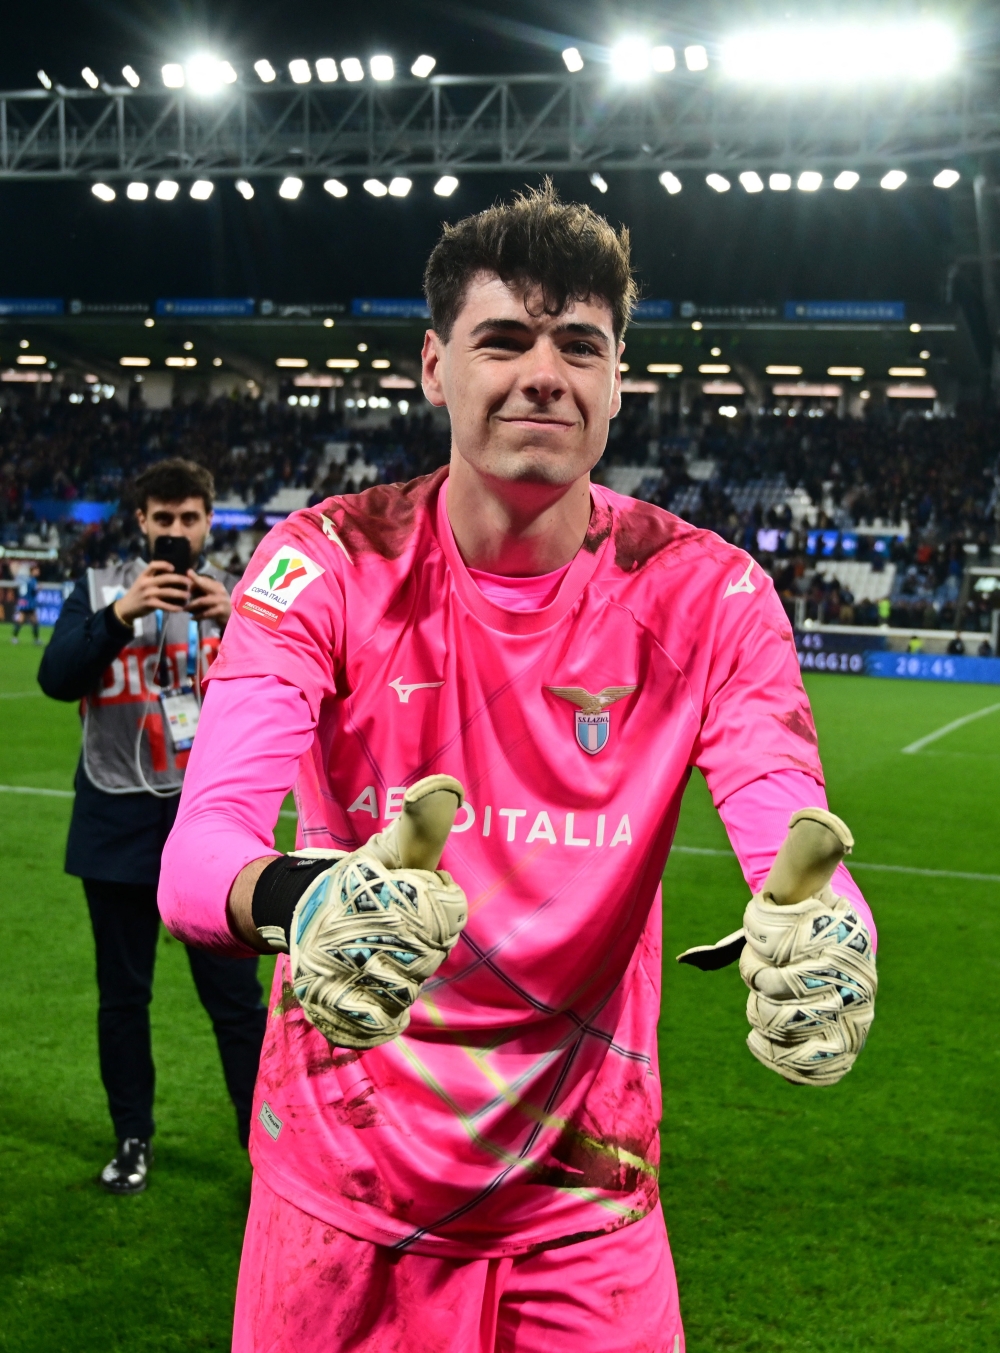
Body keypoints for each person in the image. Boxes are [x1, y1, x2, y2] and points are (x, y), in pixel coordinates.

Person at [160, 185, 877, 1352]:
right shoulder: (327, 563)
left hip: (585, 1206)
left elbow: (786, 821)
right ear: (435, 365)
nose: (545, 371)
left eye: (578, 345)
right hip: (343, 1197)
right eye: (505, 339)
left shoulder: (708, 593)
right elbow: (202, 852)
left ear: (615, 382)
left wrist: (836, 928)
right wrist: (304, 899)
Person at [38, 458, 267, 1196]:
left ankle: (265, 1146)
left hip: (211, 832)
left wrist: (235, 619)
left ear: (208, 520)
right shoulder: (102, 589)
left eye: (188, 518)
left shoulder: (241, 602)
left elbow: (303, 683)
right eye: (162, 519)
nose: (175, 532)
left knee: (237, 1003)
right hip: (116, 825)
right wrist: (120, 614)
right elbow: (56, 676)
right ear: (141, 522)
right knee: (123, 999)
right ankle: (132, 1139)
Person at [11, 562, 41, 644]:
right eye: (37, 570)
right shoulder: (32, 580)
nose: (38, 572)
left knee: (23, 620)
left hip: (24, 602)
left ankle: (14, 638)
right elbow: (33, 591)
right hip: (29, 602)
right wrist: (38, 589)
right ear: (32, 571)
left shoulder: (26, 579)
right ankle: (36, 640)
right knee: (33, 621)